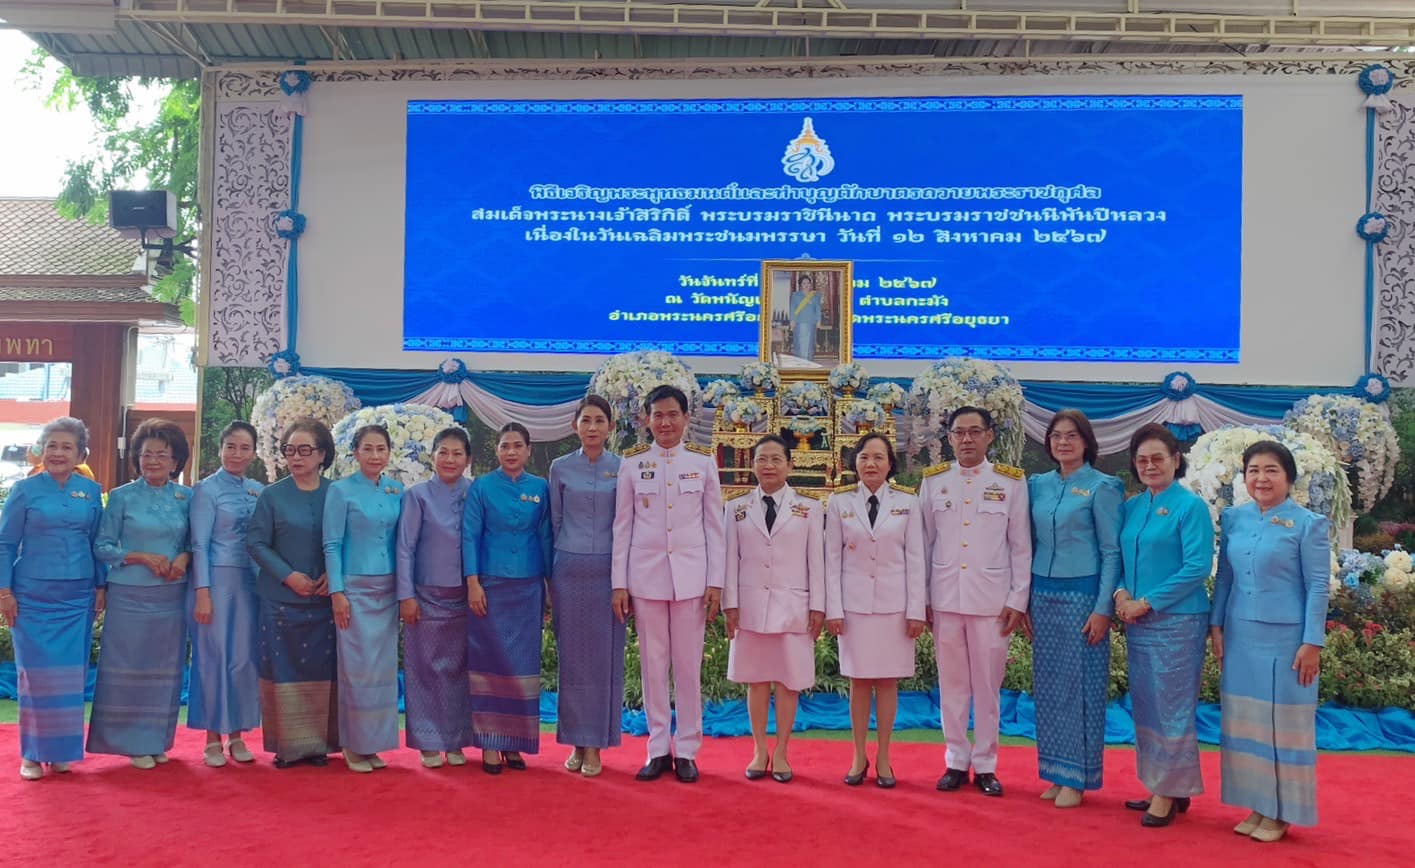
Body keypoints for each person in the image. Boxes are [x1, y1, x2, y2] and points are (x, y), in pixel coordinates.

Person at [1211, 440, 1329, 843]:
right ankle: (1259, 805)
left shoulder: (1308, 523)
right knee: (1249, 723)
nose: (1261, 478)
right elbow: (1225, 577)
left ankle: (1282, 813)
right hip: (1240, 636)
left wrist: (1313, 641)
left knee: (1285, 725)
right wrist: (1216, 626)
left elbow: (1317, 585)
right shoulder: (1233, 519)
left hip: (1287, 641)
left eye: (1271, 470)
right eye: (1254, 470)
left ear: (1289, 477)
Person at [611, 384, 725, 784]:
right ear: (646, 419)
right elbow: (622, 526)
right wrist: (618, 582)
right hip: (646, 578)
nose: (665, 422)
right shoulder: (633, 463)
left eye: (673, 414)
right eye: (657, 415)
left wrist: (716, 582)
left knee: (688, 666)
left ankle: (689, 749)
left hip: (691, 578)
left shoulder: (703, 461)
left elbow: (715, 526)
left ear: (686, 418)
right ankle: (658, 747)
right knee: (652, 665)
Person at [919, 406, 1031, 797]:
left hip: (991, 602)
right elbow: (924, 545)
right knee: (951, 685)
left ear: (989, 436)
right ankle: (955, 759)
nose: (966, 439)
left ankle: (985, 763)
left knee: (987, 686)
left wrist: (1018, 598)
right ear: (948, 438)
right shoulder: (934, 482)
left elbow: (1020, 546)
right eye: (958, 433)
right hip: (946, 599)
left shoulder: (1011, 482)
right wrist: (923, 600)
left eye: (974, 432)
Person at [1115, 422, 1215, 827]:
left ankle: (1167, 791)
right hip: (1138, 620)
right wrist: (1121, 596)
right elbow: (1121, 560)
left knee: (1172, 707)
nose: (1150, 465)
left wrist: (1148, 602)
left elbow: (1197, 567)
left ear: (1176, 460)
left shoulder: (1190, 507)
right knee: (1149, 707)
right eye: (1142, 460)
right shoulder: (1133, 506)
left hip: (1177, 621)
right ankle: (1165, 784)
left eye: (1158, 458)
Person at [1027, 410, 1124, 808]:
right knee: (1048, 687)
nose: (1063, 442)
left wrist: (1104, 608)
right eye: (1056, 436)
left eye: (1071, 436)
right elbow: (1026, 543)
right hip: (1042, 595)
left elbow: (1111, 552)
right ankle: (1055, 771)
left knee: (1079, 687)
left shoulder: (1103, 486)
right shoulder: (1036, 486)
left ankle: (1078, 777)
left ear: (1086, 442)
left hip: (1083, 598)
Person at [0, 417, 105, 781]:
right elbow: (5, 544)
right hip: (31, 598)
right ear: (41, 451)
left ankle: (61, 753)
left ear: (80, 454)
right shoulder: (23, 491)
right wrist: (5, 592)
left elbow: (97, 544)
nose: (58, 452)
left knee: (69, 678)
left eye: (67, 447)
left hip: (77, 598)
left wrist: (101, 587)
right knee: (36, 677)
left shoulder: (91, 492)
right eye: (52, 446)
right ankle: (32, 754)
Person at [87, 418, 193, 769]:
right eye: (146, 454)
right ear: (137, 458)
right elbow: (102, 546)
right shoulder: (121, 497)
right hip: (129, 595)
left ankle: (155, 740)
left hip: (171, 596)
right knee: (128, 668)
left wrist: (184, 557)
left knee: (164, 670)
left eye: (162, 455)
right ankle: (129, 742)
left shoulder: (186, 498)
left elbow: (196, 542)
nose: (153, 461)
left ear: (176, 461)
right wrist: (139, 557)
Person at [824, 432, 925, 789]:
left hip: (894, 608)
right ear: (854, 462)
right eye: (865, 457)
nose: (871, 464)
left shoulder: (907, 503)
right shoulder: (840, 503)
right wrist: (832, 609)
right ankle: (857, 754)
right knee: (858, 681)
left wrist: (916, 611)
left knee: (886, 682)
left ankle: (883, 755)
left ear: (889, 464)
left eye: (879, 457)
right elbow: (830, 560)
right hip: (852, 609)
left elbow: (916, 559)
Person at [724, 435, 825, 784]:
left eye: (776, 459)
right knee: (755, 680)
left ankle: (781, 750)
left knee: (788, 681)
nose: (768, 466)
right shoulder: (735, 508)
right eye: (761, 459)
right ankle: (759, 750)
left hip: (792, 605)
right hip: (750, 606)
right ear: (752, 464)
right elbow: (730, 561)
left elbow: (817, 561)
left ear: (790, 465)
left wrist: (818, 606)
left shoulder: (809, 508)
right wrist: (730, 604)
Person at [247, 418, 338, 768]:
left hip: (325, 600)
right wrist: (288, 576)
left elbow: (348, 538)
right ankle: (288, 747)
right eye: (289, 450)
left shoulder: (336, 492)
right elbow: (255, 542)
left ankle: (317, 745)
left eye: (305, 450)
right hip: (282, 600)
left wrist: (335, 573)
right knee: (283, 672)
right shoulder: (272, 496)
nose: (296, 457)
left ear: (322, 454)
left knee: (321, 672)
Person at [463, 422, 552, 774]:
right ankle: (488, 743)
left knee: (522, 665)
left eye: (517, 445)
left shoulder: (541, 488)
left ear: (529, 450)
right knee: (490, 663)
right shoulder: (482, 487)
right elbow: (469, 536)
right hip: (490, 585)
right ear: (496, 451)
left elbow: (546, 536)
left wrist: (549, 586)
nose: (511, 451)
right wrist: (472, 582)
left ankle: (515, 744)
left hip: (528, 586)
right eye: (505, 446)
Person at [548, 396, 624, 778]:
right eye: (586, 421)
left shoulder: (623, 469)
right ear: (575, 425)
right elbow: (554, 523)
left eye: (599, 421)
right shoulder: (559, 468)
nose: (592, 427)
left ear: (611, 427)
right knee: (573, 661)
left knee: (602, 661)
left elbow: (627, 527)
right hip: (569, 570)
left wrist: (625, 580)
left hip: (609, 576)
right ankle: (577, 741)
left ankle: (595, 743)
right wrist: (549, 579)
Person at [324, 424, 403, 773]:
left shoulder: (396, 489)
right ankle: (353, 745)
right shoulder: (341, 491)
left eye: (381, 449)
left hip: (388, 590)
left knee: (382, 670)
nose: (374, 456)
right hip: (354, 590)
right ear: (354, 452)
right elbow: (332, 544)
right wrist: (337, 592)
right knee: (356, 668)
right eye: (367, 449)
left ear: (389, 453)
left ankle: (373, 744)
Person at [188, 420, 265, 768]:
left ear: (254, 452)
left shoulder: (257, 491)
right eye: (230, 446)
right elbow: (199, 544)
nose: (237, 453)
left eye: (244, 447)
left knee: (243, 658)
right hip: (215, 581)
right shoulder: (206, 490)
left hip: (250, 585)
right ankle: (212, 738)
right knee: (213, 656)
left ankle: (237, 733)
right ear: (220, 449)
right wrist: (202, 592)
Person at [397, 426, 474, 769]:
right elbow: (404, 548)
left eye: (457, 453)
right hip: (425, 596)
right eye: (443, 452)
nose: (450, 459)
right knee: (424, 670)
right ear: (433, 456)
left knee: (458, 671)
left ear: (468, 460)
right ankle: (428, 741)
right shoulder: (417, 496)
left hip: (465, 596)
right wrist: (406, 595)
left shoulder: (475, 493)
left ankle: (455, 740)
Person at [789, 274, 822, 361]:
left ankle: (809, 361)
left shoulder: (815, 295)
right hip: (799, 322)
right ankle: (799, 361)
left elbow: (818, 308)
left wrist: (819, 320)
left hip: (811, 322)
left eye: (808, 283)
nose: (806, 285)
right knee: (800, 342)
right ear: (800, 285)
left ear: (811, 284)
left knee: (810, 343)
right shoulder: (795, 295)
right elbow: (792, 308)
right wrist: (792, 320)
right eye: (804, 283)